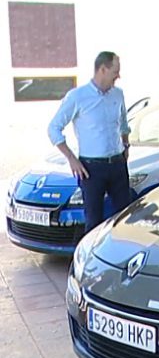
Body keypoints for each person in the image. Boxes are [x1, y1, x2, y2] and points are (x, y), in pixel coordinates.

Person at [48, 51, 131, 232]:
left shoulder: (118, 94)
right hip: (91, 169)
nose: (119, 76)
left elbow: (124, 124)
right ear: (102, 69)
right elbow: (53, 128)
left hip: (117, 164)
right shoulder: (77, 97)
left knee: (125, 217)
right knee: (93, 220)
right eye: (115, 71)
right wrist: (71, 159)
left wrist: (126, 145)